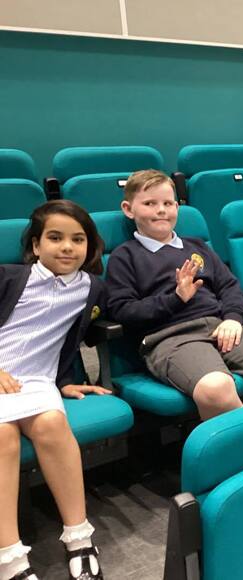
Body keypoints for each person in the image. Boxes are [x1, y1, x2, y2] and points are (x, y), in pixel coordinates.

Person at [106, 170, 243, 420]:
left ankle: (240, 431)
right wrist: (176, 298)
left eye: (167, 203)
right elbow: (123, 310)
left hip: (219, 327)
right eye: (149, 203)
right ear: (128, 209)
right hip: (170, 338)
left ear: (177, 207)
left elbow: (229, 287)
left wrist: (233, 318)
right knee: (217, 388)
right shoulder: (124, 256)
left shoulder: (196, 246)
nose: (161, 210)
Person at [0, 201, 111, 580]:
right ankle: (9, 558)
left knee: (51, 424)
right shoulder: (9, 277)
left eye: (78, 239)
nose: (67, 247)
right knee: (3, 435)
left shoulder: (91, 289)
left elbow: (71, 338)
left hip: (37, 380)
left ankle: (79, 537)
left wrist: (64, 380)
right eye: (55, 238)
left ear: (89, 246)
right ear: (35, 245)